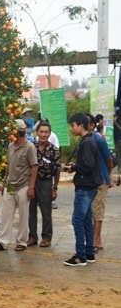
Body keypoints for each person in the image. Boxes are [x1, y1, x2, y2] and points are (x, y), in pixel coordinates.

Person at [0, 119, 38, 252]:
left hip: (23, 186)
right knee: (6, 215)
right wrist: (4, 183)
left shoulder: (29, 147)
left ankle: (21, 242)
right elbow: (8, 165)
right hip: (10, 186)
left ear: (18, 132)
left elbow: (34, 167)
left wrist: (31, 187)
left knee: (23, 216)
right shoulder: (11, 146)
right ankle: (3, 241)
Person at [63, 113, 101, 266]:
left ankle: (80, 255)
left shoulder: (87, 142)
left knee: (77, 220)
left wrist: (74, 167)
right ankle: (89, 253)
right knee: (86, 220)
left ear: (80, 125)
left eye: (73, 125)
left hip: (85, 187)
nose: (72, 129)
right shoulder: (89, 140)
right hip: (90, 186)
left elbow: (87, 165)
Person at [27, 121, 61, 248]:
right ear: (37, 133)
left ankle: (46, 237)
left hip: (46, 183)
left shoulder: (54, 150)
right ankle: (32, 236)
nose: (43, 134)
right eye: (41, 131)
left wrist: (54, 188)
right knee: (31, 210)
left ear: (49, 133)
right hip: (31, 182)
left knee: (46, 212)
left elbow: (57, 171)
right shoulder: (31, 147)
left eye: (46, 132)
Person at [87, 114, 113, 252]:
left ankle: (96, 240)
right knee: (91, 210)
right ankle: (95, 239)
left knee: (97, 210)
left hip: (100, 179)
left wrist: (107, 176)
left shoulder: (98, 139)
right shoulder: (86, 140)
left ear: (92, 125)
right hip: (90, 180)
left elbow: (109, 159)